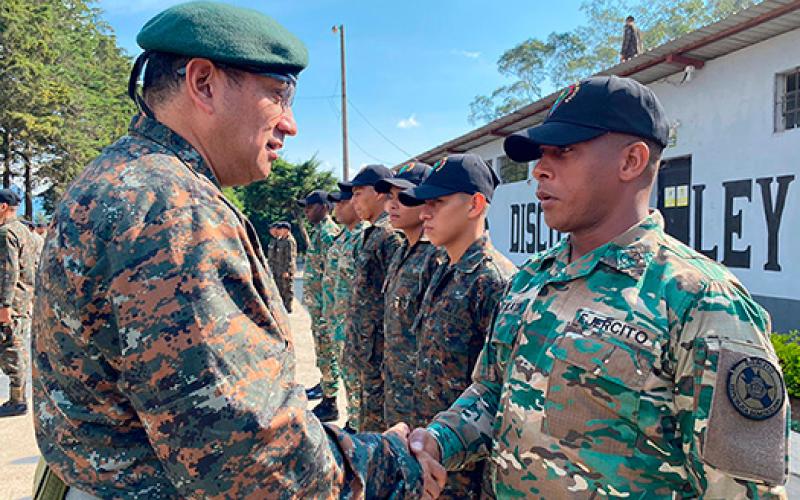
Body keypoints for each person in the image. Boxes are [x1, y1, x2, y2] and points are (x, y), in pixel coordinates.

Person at [31, 2, 444, 497]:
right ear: (203, 83)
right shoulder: (171, 207)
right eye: (277, 95)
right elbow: (245, 456)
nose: (290, 125)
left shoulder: (124, 178)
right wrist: (389, 464)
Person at [410, 75, 789, 498]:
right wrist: (438, 441)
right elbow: (491, 391)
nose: (540, 169)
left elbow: (743, 492)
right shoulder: (531, 280)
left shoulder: (702, 301)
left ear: (631, 161)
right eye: (541, 154)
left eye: (564, 151)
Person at [399, 155, 516, 499]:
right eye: (424, 204)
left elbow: (497, 392)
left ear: (475, 205)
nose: (424, 213)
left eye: (437, 203)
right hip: (432, 453)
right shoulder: (440, 268)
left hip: (466, 475)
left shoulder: (494, 280)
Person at [374, 162, 444, 426]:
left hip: (421, 404)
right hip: (395, 391)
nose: (392, 205)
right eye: (390, 197)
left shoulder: (435, 258)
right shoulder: (402, 251)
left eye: (403, 197)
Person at [341, 164, 404, 431]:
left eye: (358, 193)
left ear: (380, 193)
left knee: (378, 429)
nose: (353, 201)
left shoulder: (391, 236)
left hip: (380, 355)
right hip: (367, 351)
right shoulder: (373, 233)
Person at [324, 190, 369, 431]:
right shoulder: (344, 237)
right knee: (348, 379)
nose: (336, 208)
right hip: (339, 322)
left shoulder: (365, 238)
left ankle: (358, 423)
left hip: (354, 327)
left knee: (357, 382)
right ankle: (354, 419)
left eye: (341, 202)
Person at [298, 189, 343, 421]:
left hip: (327, 310)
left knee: (328, 354)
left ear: (325, 207)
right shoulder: (318, 233)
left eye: (310, 206)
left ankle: (330, 401)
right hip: (319, 308)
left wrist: (329, 310)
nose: (306, 211)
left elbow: (334, 274)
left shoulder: (328, 234)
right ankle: (326, 390)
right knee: (323, 353)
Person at [0, 190, 36, 417]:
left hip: (10, 302)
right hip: (22, 298)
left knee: (12, 349)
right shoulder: (23, 230)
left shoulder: (5, 233)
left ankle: (17, 401)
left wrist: (4, 305)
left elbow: (8, 272)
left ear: (3, 207)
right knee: (16, 346)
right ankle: (18, 398)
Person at [272, 221, 297, 312]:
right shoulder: (282, 240)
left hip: (286, 269)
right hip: (280, 268)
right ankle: (283, 307)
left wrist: (287, 270)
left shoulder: (289, 241)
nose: (280, 231)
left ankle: (288, 307)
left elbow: (290, 257)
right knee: (281, 287)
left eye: (281, 229)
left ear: (286, 230)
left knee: (287, 288)